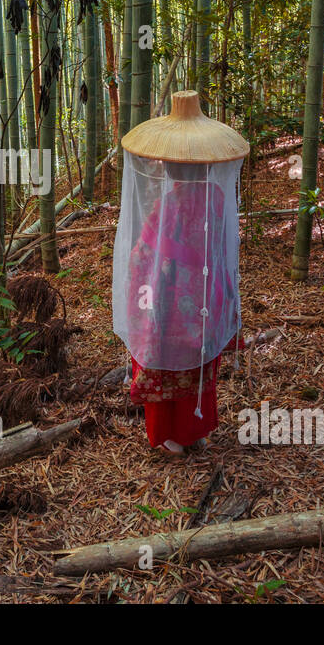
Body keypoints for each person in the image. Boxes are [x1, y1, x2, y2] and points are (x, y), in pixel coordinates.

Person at [124, 161, 238, 455]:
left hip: (173, 299)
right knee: (199, 359)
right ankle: (194, 431)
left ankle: (168, 435)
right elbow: (221, 246)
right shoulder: (217, 197)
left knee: (166, 360)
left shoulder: (170, 203)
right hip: (205, 295)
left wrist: (142, 269)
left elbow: (144, 252)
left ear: (172, 171)